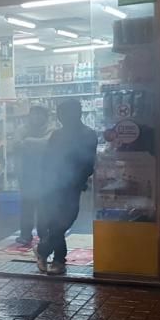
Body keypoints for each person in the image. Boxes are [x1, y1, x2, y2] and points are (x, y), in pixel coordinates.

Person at [35, 99, 97, 276]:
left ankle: (43, 250)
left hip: (73, 186)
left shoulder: (88, 134)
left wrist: (80, 179)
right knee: (56, 223)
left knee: (65, 221)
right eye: (60, 114)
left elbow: (89, 162)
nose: (63, 118)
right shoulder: (57, 135)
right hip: (53, 186)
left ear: (77, 113)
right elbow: (47, 160)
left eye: (65, 113)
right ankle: (59, 260)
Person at [13, 106, 52, 246]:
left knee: (43, 207)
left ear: (45, 117)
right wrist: (36, 144)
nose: (36, 117)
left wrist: (28, 142)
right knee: (27, 205)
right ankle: (25, 235)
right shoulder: (21, 129)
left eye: (39, 115)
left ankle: (43, 234)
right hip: (26, 173)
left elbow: (47, 144)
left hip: (45, 175)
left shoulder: (51, 130)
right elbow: (16, 144)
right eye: (33, 114)